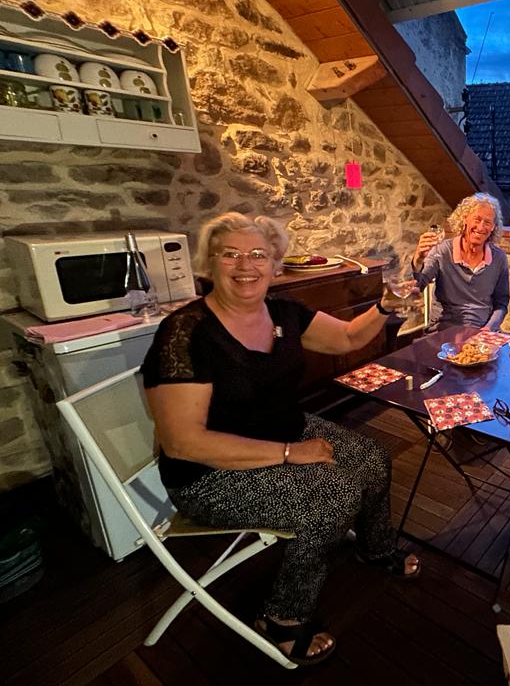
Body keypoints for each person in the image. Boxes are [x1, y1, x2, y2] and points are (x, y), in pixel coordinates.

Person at [141, 212, 420, 667]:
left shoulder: (284, 313)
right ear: (210, 264)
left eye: (258, 255)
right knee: (333, 495)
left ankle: (375, 546)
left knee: (371, 457)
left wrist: (386, 307)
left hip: (283, 430)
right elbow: (183, 444)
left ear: (275, 265)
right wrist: (292, 455)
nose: (245, 265)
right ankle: (282, 618)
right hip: (210, 474)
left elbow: (347, 337)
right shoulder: (185, 334)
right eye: (230, 254)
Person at [412, 192, 510, 332]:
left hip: (483, 331)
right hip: (445, 330)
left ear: (493, 227)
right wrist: (418, 259)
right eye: (477, 219)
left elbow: (501, 303)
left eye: (487, 222)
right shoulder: (442, 251)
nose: (481, 227)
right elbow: (416, 287)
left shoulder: (499, 258)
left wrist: (488, 329)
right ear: (465, 219)